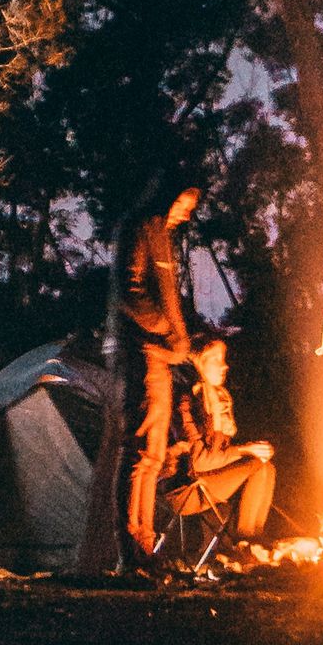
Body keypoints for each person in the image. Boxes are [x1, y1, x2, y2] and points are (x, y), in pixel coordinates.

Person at [117, 184, 201, 564]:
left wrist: (181, 339)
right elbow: (131, 290)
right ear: (169, 196)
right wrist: (166, 328)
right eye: (184, 203)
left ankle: (144, 545)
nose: (186, 213)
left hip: (164, 355)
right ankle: (133, 548)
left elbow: (167, 294)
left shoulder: (163, 238)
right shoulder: (143, 231)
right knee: (143, 456)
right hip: (148, 353)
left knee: (153, 454)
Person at [162, 338, 277, 541]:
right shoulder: (187, 402)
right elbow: (199, 462)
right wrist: (244, 450)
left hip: (206, 482)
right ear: (198, 363)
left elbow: (218, 457)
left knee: (266, 467)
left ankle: (253, 539)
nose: (224, 366)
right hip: (185, 489)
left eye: (223, 359)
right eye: (215, 359)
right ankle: (244, 542)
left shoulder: (216, 400)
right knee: (257, 466)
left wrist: (252, 450)